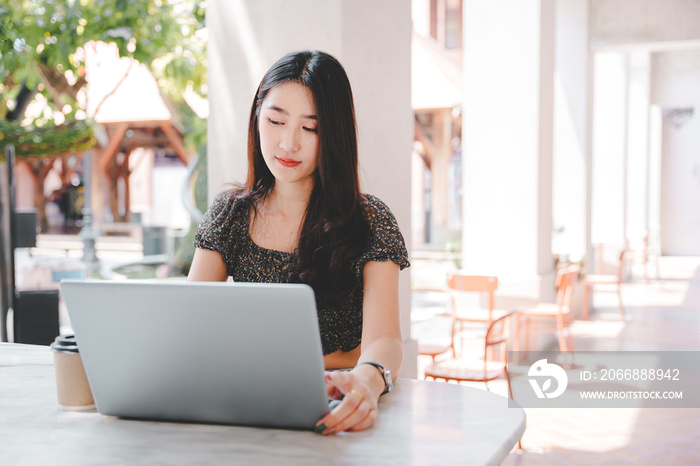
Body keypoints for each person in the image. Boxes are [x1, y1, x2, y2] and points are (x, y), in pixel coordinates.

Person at [188, 50, 409, 435]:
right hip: (248, 404)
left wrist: (367, 383)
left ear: (335, 134)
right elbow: (187, 323)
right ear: (257, 118)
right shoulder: (230, 215)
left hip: (338, 403)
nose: (288, 143)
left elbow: (385, 339)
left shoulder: (370, 220)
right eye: (276, 120)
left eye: (311, 128)